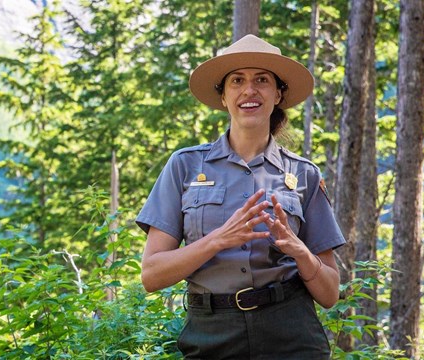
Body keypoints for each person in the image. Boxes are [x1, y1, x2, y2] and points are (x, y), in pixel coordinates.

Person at [136, 34, 346, 359]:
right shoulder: (184, 166)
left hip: (291, 331)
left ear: (278, 94)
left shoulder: (304, 174)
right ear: (223, 96)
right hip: (211, 333)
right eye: (237, 80)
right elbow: (151, 275)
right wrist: (219, 239)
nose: (250, 90)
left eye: (262, 79)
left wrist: (300, 252)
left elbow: (330, 293)